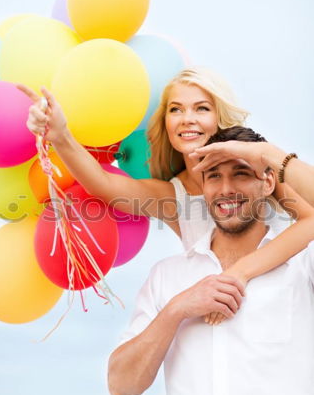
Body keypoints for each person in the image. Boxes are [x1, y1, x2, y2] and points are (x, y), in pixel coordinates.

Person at [17, 67, 314, 324]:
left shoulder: (254, 167)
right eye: (176, 109)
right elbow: (104, 184)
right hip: (221, 312)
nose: (187, 119)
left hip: (283, 302)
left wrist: (239, 273)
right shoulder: (174, 196)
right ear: (167, 124)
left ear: (219, 117)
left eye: (201, 108)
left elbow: (310, 218)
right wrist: (60, 134)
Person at [107, 126, 314, 395]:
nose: (226, 188)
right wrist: (176, 309)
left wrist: (268, 155)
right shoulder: (168, 276)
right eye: (214, 176)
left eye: (242, 173)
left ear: (268, 181)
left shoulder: (303, 265)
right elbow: (121, 386)